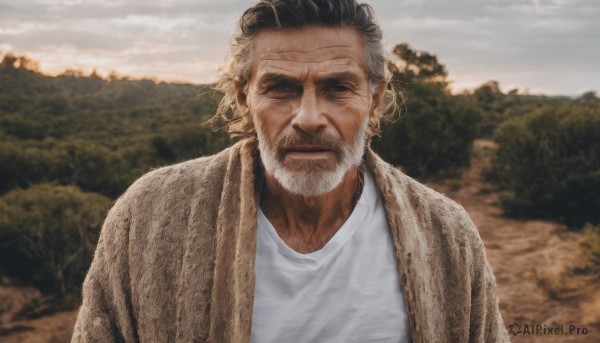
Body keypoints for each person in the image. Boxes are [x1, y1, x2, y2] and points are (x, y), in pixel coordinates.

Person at [71, 0, 509, 342]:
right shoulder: (149, 216)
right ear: (244, 98)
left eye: (338, 88)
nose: (308, 118)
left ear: (374, 100)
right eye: (281, 87)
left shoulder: (446, 233)